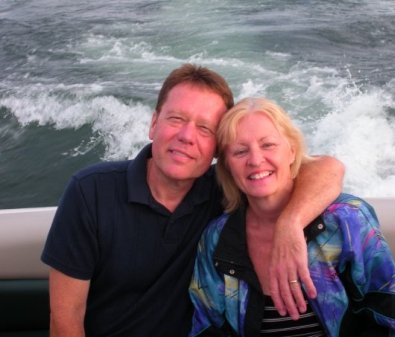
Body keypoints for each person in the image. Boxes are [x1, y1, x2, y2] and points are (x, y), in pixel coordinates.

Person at [41, 64, 344, 337]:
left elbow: (328, 168)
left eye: (204, 128)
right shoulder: (91, 192)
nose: (187, 136)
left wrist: (290, 224)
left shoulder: (225, 189)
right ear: (153, 123)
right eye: (176, 119)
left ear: (216, 149)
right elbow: (66, 320)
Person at [189, 97, 395, 337]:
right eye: (240, 151)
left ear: (292, 151)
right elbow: (206, 328)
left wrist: (290, 223)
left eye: (268, 145)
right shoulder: (217, 239)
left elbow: (386, 322)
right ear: (227, 168)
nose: (255, 160)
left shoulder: (348, 221)